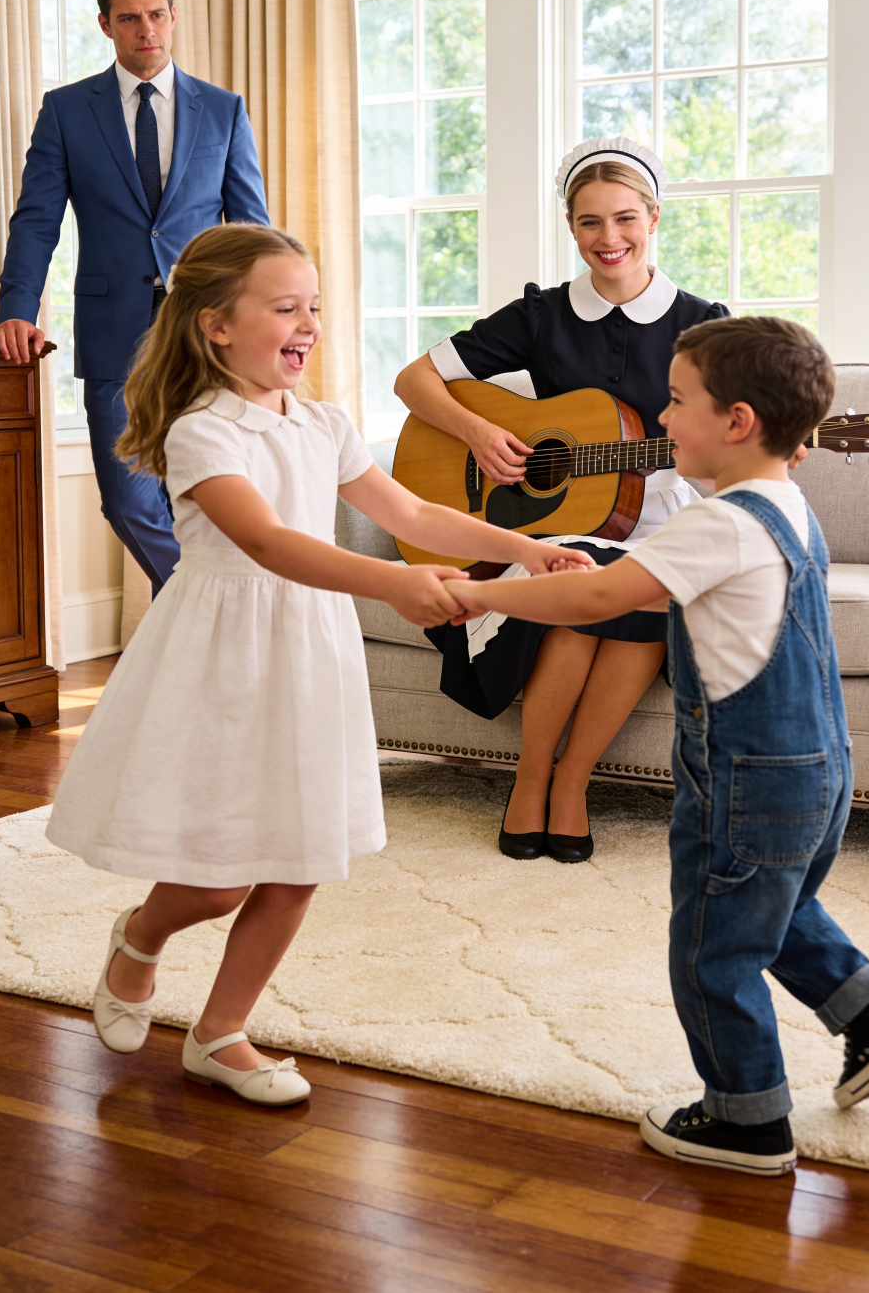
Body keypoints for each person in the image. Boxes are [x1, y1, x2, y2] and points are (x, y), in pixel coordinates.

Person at [44, 223, 591, 1106]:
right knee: (220, 875)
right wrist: (392, 584)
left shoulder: (325, 422)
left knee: (300, 858)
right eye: (286, 307)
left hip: (309, 651)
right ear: (217, 325)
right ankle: (141, 939)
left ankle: (220, 1032)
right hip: (224, 657)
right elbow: (265, 542)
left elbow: (412, 508)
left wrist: (521, 550)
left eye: (316, 308)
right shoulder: (202, 433)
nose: (308, 324)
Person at [443, 317, 869, 1176]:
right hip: (814, 769)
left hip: (749, 780)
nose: (661, 421)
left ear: (738, 422)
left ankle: (747, 1119)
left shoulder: (719, 527)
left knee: (713, 948)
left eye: (676, 402)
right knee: (769, 915)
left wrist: (481, 595)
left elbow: (598, 601)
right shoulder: (786, 504)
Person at [394, 137, 728, 864]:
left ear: (655, 218)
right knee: (580, 584)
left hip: (662, 518)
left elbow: (727, 441)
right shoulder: (541, 315)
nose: (609, 238)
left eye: (625, 219)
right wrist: (480, 433)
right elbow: (414, 381)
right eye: (589, 222)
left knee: (628, 593)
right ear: (570, 226)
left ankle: (570, 782)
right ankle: (533, 778)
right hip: (556, 523)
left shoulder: (703, 323)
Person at [0, 0, 269, 592]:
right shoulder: (66, 111)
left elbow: (252, 232)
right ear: (105, 25)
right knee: (130, 502)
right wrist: (17, 309)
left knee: (208, 497)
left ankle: (197, 649)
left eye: (157, 15)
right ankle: (208, 613)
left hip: (209, 337)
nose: (147, 30)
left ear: (174, 17)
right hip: (114, 334)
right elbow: (36, 221)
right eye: (130, 18)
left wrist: (270, 321)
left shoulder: (222, 110)